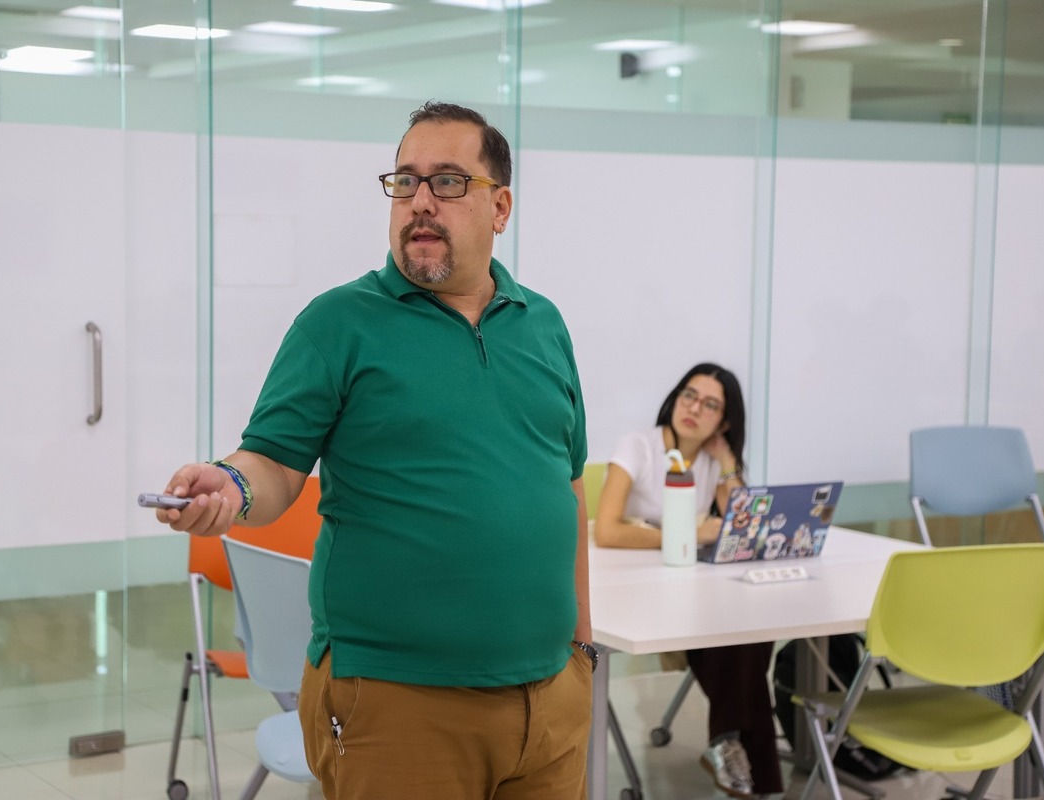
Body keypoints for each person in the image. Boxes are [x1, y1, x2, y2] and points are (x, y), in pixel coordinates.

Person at [152, 101, 593, 800]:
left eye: (448, 181)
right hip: (398, 704)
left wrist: (582, 653)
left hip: (549, 702)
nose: (421, 201)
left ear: (500, 206)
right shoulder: (340, 323)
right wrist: (231, 485)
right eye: (405, 181)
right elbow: (274, 463)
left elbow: (566, 490)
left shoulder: (544, 325)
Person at [594, 363, 782, 799]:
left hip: (687, 589)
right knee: (740, 639)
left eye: (710, 405)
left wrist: (728, 462)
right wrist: (689, 534)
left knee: (752, 629)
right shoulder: (639, 446)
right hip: (633, 594)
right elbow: (606, 530)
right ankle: (752, 768)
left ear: (725, 422)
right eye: (689, 396)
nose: (694, 409)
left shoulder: (713, 462)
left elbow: (742, 528)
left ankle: (729, 745)